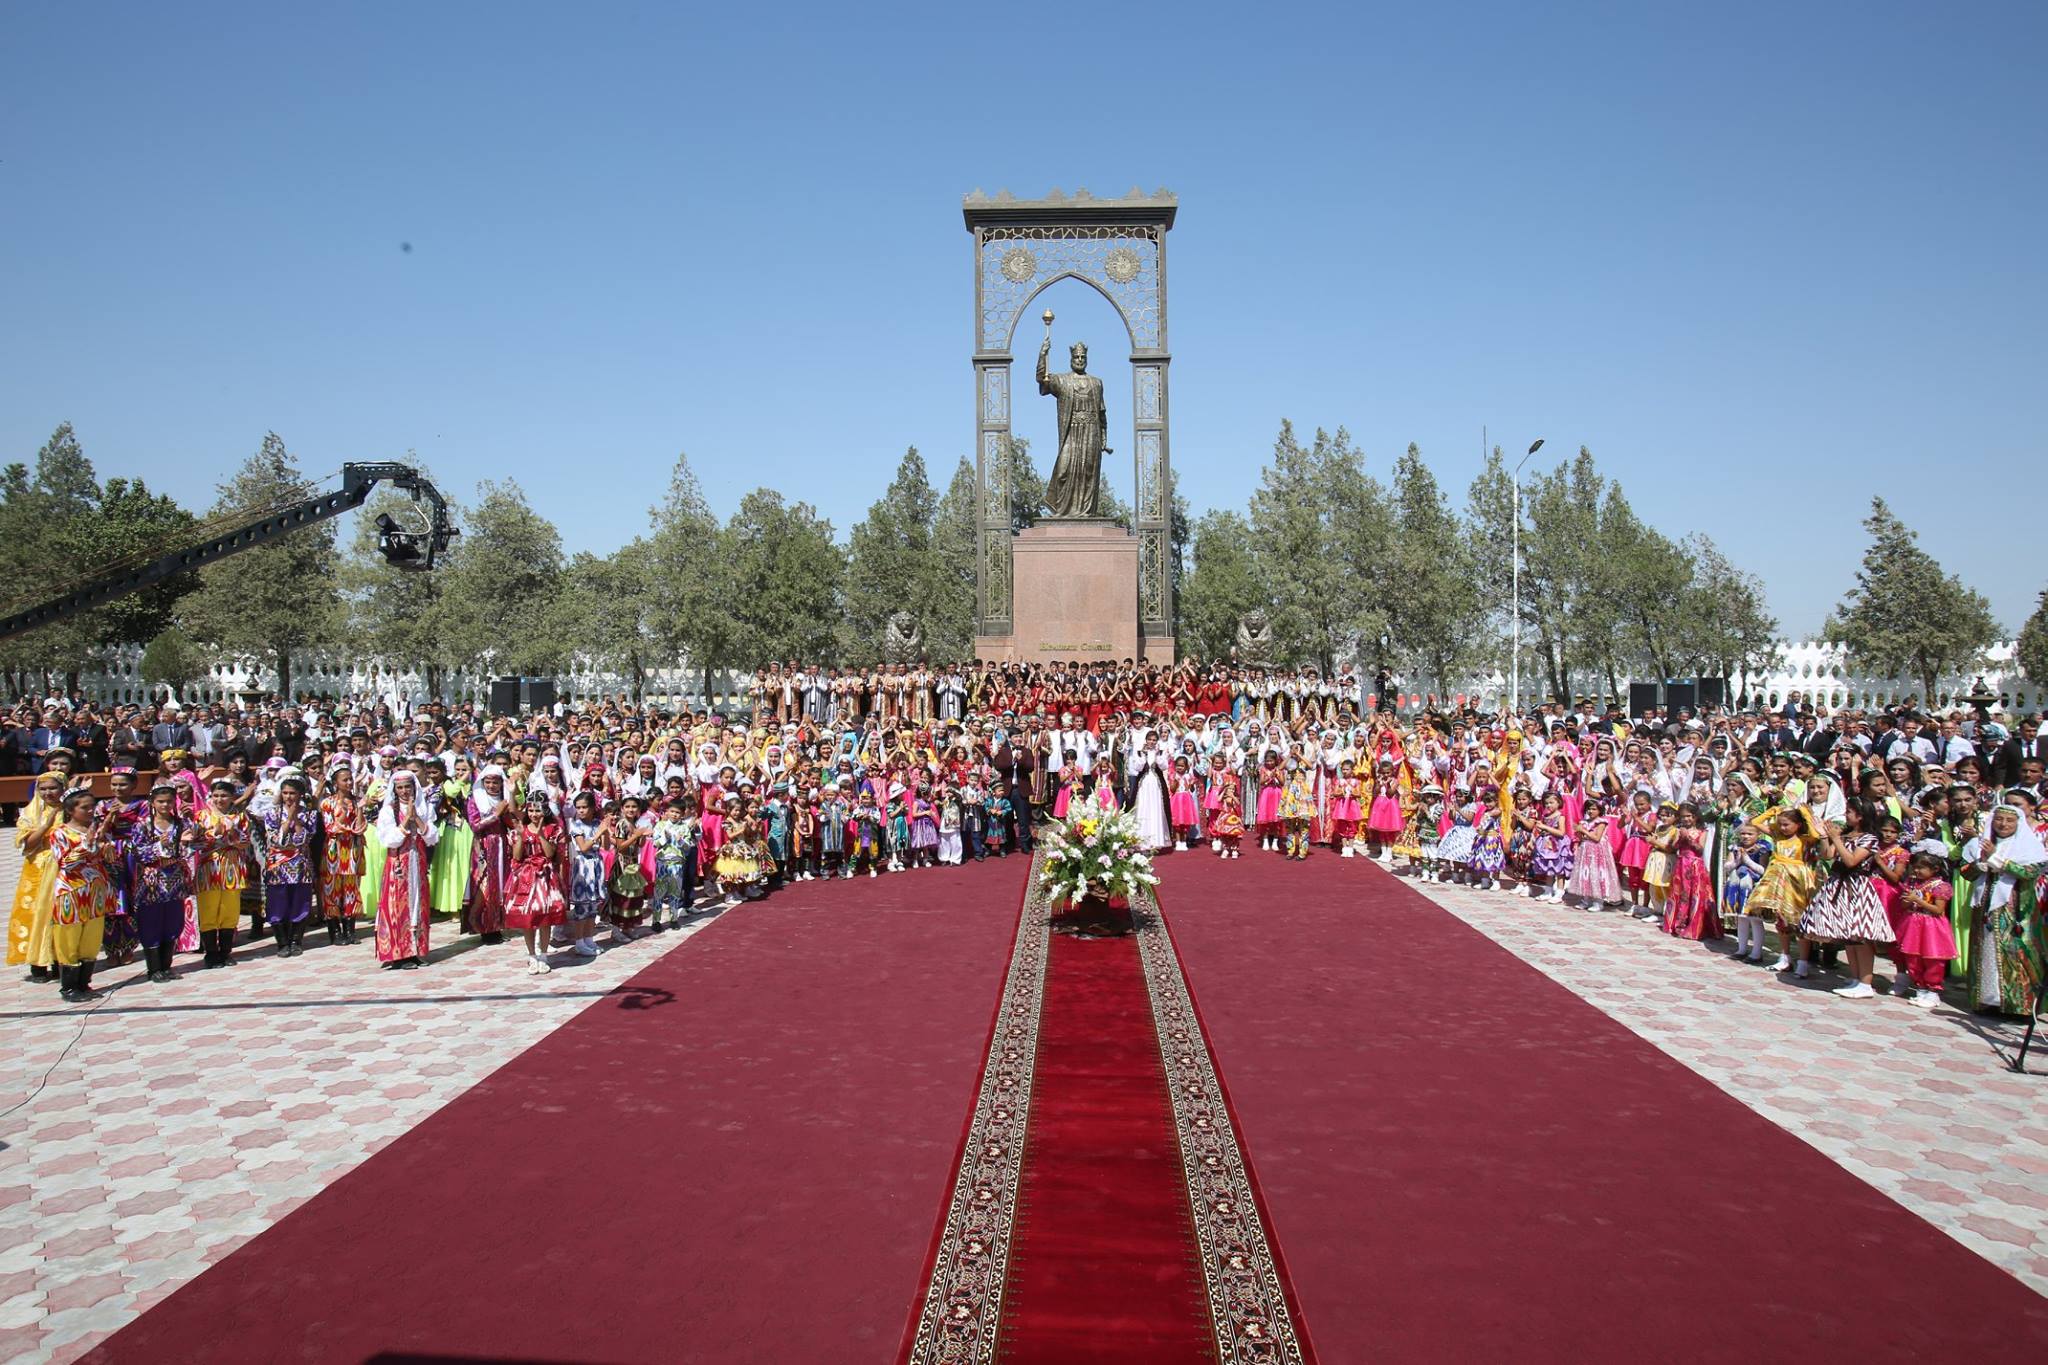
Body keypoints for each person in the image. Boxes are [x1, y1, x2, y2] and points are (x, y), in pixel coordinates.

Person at [1960, 804, 2046, 1017]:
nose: (2003, 824)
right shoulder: (1980, 843)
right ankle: (1988, 1001)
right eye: (1999, 819)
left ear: (2019, 823)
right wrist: (1981, 863)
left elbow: (2029, 872)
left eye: (2009, 820)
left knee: (2016, 954)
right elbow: (1966, 872)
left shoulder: (2028, 846)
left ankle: (2020, 1007)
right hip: (1985, 909)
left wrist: (1996, 858)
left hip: (2015, 910)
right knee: (1986, 951)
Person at [48, 790, 119, 1002]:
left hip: (96, 892)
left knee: (91, 940)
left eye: (92, 807)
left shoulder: (96, 829)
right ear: (70, 810)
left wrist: (106, 846)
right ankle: (69, 988)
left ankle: (84, 983)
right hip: (71, 891)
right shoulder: (59, 833)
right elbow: (65, 863)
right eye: (84, 807)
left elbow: (108, 858)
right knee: (69, 940)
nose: (90, 811)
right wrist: (86, 844)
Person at [130, 781, 196, 983]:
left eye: (169, 801)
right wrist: (159, 845)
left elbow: (196, 844)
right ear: (152, 802)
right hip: (151, 882)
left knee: (173, 922)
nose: (165, 805)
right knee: (151, 922)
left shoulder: (182, 824)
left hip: (175, 880)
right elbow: (138, 852)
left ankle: (166, 966)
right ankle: (153, 969)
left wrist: (187, 837)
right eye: (160, 801)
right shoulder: (142, 825)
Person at [374, 770, 439, 969]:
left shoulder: (424, 807)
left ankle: (415, 950)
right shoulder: (388, 811)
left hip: (417, 861)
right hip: (398, 864)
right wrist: (405, 821)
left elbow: (432, 837)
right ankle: (399, 954)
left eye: (407, 787)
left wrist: (416, 817)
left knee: (418, 903)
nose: (404, 791)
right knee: (397, 905)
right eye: (400, 788)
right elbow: (389, 840)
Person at [8, 771, 65, 982]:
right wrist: (46, 825)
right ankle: (37, 964)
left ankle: (60, 960)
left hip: (63, 869)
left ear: (63, 788)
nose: (48, 793)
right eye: (43, 789)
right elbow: (27, 844)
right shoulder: (30, 813)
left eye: (53, 788)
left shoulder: (70, 810)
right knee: (35, 914)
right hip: (37, 870)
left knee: (60, 913)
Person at [194, 777, 252, 969]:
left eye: (224, 795)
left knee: (230, 910)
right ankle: (211, 953)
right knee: (208, 909)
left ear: (232, 797)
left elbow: (245, 841)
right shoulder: (201, 816)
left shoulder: (240, 817)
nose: (219, 799)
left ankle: (226, 952)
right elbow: (196, 841)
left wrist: (231, 834)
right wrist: (215, 834)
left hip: (232, 867)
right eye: (216, 795)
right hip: (208, 868)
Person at [260, 773, 319, 957]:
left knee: (300, 902)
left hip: (301, 865)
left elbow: (304, 839)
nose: (288, 797)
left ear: (300, 794)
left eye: (292, 793)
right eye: (285, 793)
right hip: (278, 867)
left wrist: (297, 820)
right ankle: (282, 942)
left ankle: (296, 941)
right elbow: (276, 840)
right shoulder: (272, 814)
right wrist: (288, 820)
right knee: (278, 903)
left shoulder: (310, 814)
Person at [506, 794, 566, 973]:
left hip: (545, 876)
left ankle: (544, 956)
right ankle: (532, 955)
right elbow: (517, 856)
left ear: (545, 810)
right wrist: (520, 836)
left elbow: (550, 854)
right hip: (526, 877)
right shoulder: (520, 829)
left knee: (545, 917)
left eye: (537, 810)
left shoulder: (554, 829)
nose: (533, 814)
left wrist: (540, 836)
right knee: (528, 917)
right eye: (530, 810)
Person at [1892, 851, 1956, 1007]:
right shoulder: (1912, 883)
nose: (1916, 870)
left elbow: (1938, 910)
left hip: (1932, 927)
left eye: (1921, 868)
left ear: (1935, 869)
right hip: (1912, 925)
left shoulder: (1940, 886)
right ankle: (1920, 988)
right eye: (1915, 867)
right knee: (1913, 958)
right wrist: (1908, 900)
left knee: (1932, 959)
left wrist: (1917, 900)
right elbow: (1904, 905)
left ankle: (1933, 992)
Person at [319, 762, 367, 944]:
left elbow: (361, 827)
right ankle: (335, 931)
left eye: (350, 779)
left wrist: (360, 809)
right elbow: (330, 827)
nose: (349, 782)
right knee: (332, 889)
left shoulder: (357, 801)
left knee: (351, 889)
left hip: (353, 849)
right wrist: (351, 828)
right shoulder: (327, 803)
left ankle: (350, 929)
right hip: (334, 850)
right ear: (335, 782)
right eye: (344, 780)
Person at [466, 765, 514, 945]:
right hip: (484, 847)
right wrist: (496, 814)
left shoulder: (504, 799)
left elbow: (512, 822)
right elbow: (475, 825)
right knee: (484, 886)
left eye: (495, 782)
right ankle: (483, 927)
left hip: (502, 846)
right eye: (488, 782)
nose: (492, 786)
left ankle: (496, 926)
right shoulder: (475, 800)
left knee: (500, 885)